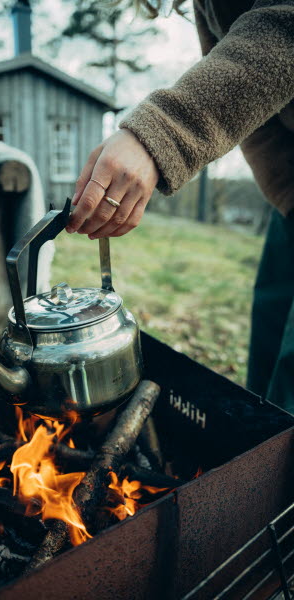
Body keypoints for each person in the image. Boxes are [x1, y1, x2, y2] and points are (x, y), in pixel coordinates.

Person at [66, 0, 294, 412]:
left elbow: (284, 29)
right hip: (290, 204)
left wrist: (161, 134)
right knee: (268, 361)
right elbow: (258, 105)